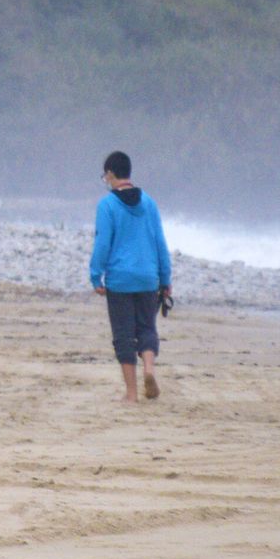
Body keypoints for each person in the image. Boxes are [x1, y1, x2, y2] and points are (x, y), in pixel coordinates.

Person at [88, 150, 171, 403]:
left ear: (111, 174)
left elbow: (103, 243)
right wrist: (165, 279)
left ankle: (132, 394)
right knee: (147, 327)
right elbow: (160, 243)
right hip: (148, 277)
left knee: (123, 335)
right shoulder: (149, 202)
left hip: (120, 280)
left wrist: (95, 276)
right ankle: (149, 369)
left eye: (105, 176)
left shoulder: (107, 205)